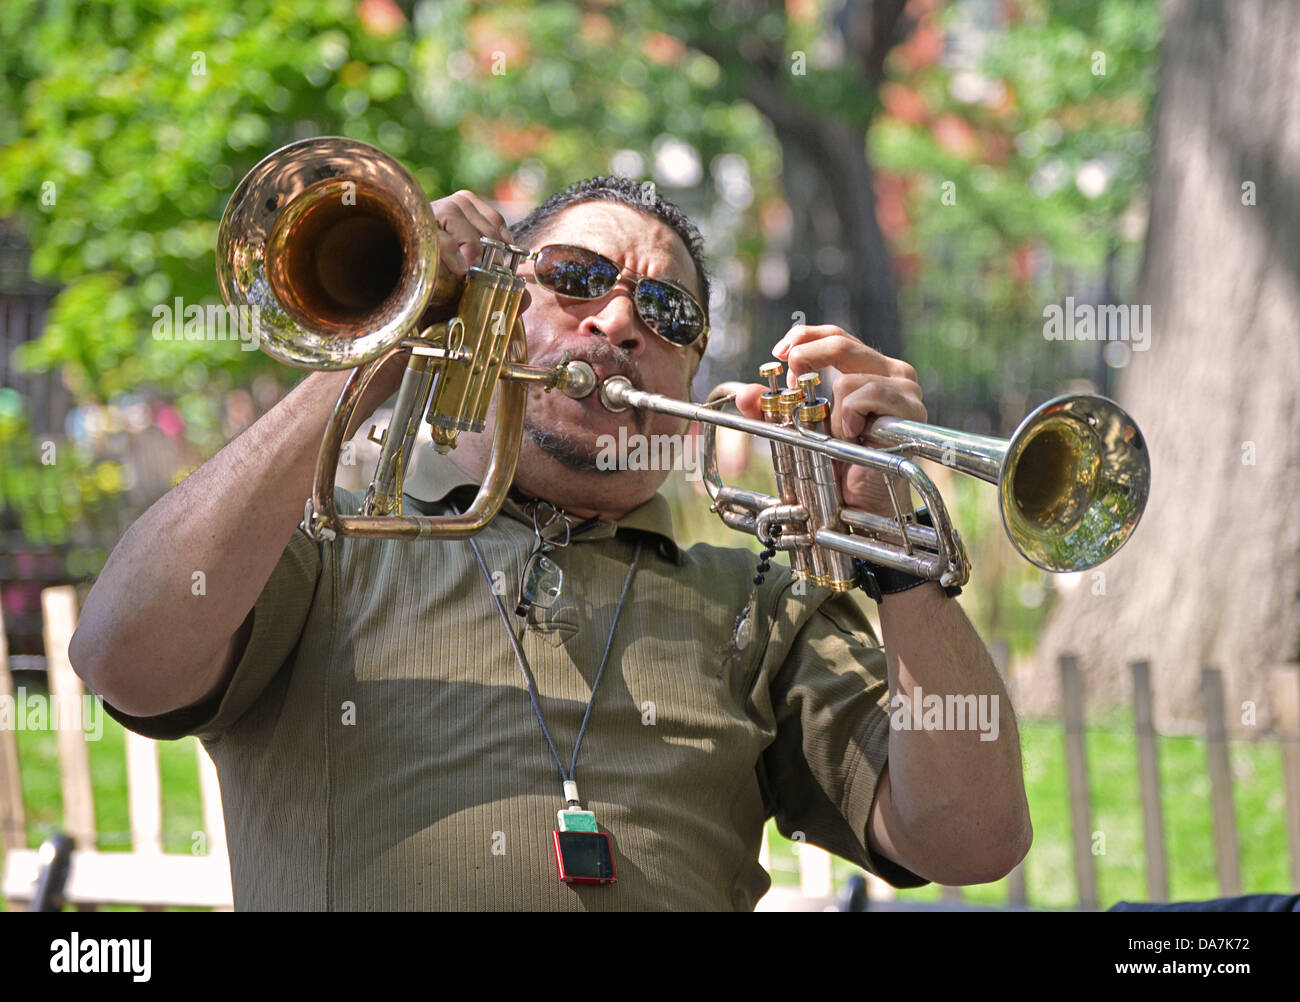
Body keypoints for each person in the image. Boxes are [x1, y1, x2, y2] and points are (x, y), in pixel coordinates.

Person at [69, 176, 1032, 910]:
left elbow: (970, 840)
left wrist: (898, 546)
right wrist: (384, 340)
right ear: (486, 315)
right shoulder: (330, 543)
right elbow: (123, 655)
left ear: (696, 387)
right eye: (576, 281)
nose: (618, 322)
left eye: (667, 315)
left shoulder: (762, 600)